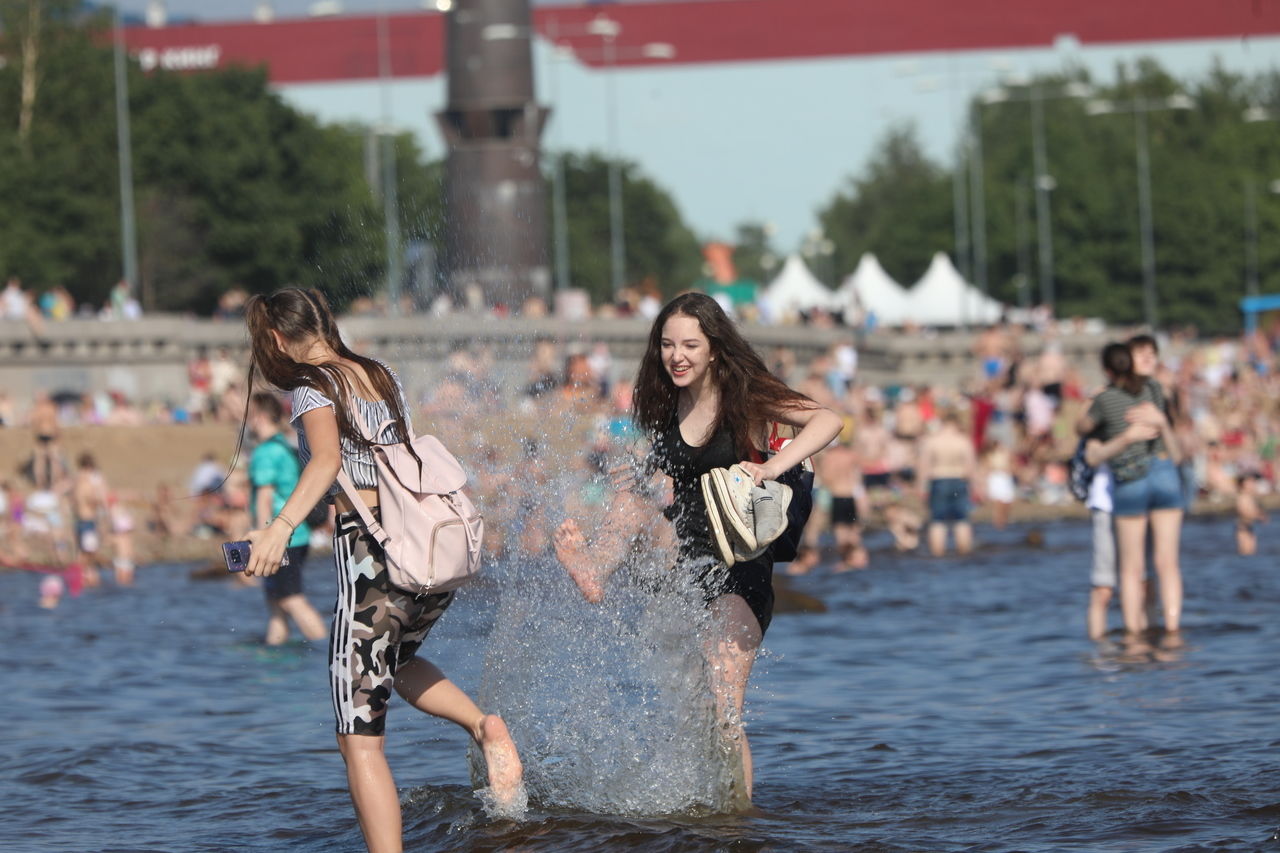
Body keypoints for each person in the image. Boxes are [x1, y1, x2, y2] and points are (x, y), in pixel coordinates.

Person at [240, 288, 522, 853]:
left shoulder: (311, 386)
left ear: (274, 338)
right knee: (400, 659)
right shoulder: (379, 371)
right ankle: (482, 724)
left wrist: (278, 527)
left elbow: (328, 463)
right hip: (426, 556)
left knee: (358, 740)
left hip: (374, 563)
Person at [555, 292, 841, 804]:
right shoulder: (665, 406)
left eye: (689, 344)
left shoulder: (746, 394)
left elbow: (827, 421)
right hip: (689, 565)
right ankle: (595, 568)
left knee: (723, 703)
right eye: (667, 344)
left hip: (742, 567)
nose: (676, 355)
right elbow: (672, 492)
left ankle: (738, 821)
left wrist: (771, 466)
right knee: (694, 708)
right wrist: (640, 478)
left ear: (714, 347)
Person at [1076, 343, 1183, 647]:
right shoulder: (1152, 392)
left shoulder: (1111, 398)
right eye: (1143, 356)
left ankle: (1137, 637)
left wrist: (1094, 403)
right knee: (1161, 566)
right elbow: (1090, 448)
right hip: (1151, 479)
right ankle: (1167, 632)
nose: (1149, 361)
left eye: (1153, 355)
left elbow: (1082, 427)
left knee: (1134, 570)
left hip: (1131, 484)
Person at [247, 392, 327, 646]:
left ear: (259, 417)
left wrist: (260, 538)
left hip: (279, 539)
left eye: (250, 415)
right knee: (276, 600)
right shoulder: (284, 444)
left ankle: (326, 647)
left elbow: (264, 498)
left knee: (292, 598)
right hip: (296, 534)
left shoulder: (265, 453)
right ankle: (275, 650)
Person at [918, 410, 977, 557]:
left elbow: (924, 466)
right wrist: (976, 487)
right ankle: (963, 554)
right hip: (959, 480)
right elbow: (971, 467)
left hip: (939, 480)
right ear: (956, 423)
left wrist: (920, 487)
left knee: (938, 520)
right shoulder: (963, 441)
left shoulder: (933, 440)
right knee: (961, 519)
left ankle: (938, 554)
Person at [813, 423, 868, 571]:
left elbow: (824, 478)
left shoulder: (828, 457)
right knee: (854, 532)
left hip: (836, 495)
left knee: (840, 533)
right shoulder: (851, 455)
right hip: (850, 495)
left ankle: (845, 561)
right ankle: (857, 560)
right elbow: (858, 477)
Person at [71, 453, 110, 587]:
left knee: (83, 552)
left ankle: (84, 576)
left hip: (79, 520)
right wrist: (101, 501)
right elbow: (89, 499)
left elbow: (75, 500)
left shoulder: (76, 479)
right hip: (88, 521)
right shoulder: (85, 481)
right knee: (88, 553)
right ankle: (79, 576)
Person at [1235, 472, 1266, 556]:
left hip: (1250, 526)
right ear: (1243, 484)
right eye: (1250, 482)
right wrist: (1257, 516)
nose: (1253, 484)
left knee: (1252, 551)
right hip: (1243, 528)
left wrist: (1260, 513)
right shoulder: (1242, 497)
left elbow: (1254, 509)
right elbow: (1244, 511)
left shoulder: (1250, 496)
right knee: (1245, 551)